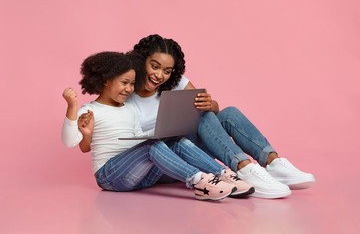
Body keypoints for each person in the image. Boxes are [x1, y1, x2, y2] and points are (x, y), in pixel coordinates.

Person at [79, 35, 315, 199]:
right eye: (154, 66)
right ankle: (243, 170)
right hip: (161, 161)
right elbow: (111, 130)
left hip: (186, 147)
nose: (160, 75)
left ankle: (272, 162)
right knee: (197, 120)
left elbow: (210, 116)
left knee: (225, 112)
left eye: (167, 70)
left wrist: (211, 105)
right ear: (141, 61)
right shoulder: (125, 92)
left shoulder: (176, 83)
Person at [61, 51, 254, 201]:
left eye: (132, 84)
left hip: (140, 178)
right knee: (151, 147)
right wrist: (72, 109)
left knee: (175, 141)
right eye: (124, 83)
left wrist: (166, 132)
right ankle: (199, 183)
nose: (129, 89)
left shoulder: (129, 109)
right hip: (110, 176)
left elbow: (138, 137)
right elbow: (74, 143)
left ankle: (222, 174)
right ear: (105, 81)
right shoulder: (91, 110)